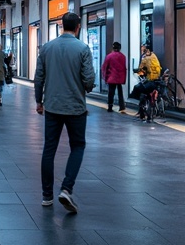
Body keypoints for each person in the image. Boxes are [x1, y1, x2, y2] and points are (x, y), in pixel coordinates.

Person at [35, 12, 95, 213]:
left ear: (62, 26)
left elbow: (38, 78)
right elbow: (89, 81)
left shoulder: (46, 48)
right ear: (78, 27)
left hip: (52, 106)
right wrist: (86, 86)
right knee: (77, 146)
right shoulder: (83, 48)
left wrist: (38, 101)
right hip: (76, 107)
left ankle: (46, 196)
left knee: (49, 149)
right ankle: (67, 188)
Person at [130, 44, 161, 122]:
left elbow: (140, 69)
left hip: (149, 81)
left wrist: (138, 71)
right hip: (156, 81)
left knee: (138, 89)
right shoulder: (154, 56)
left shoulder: (145, 59)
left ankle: (142, 113)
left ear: (146, 50)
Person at [101, 41, 128, 114]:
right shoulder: (123, 56)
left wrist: (105, 77)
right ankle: (122, 106)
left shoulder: (109, 56)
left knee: (111, 92)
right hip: (120, 77)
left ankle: (110, 106)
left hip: (112, 77)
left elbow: (105, 66)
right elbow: (124, 68)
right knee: (120, 92)